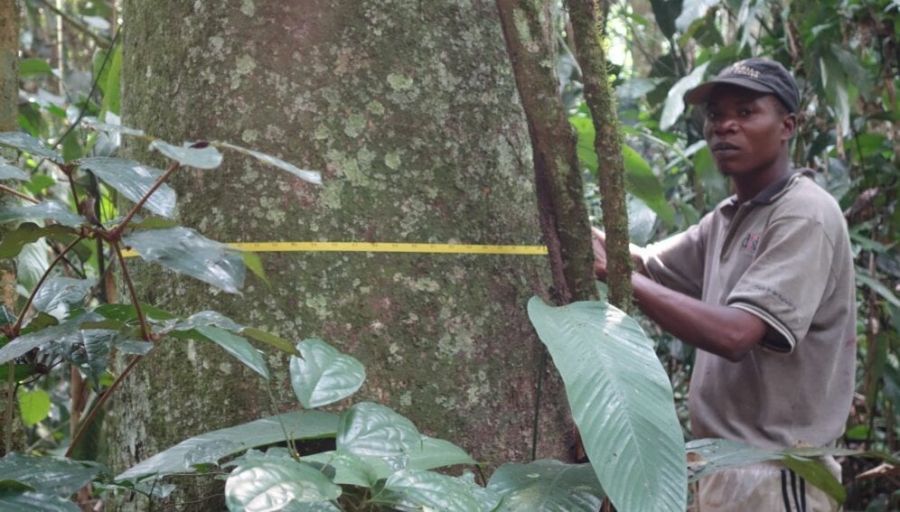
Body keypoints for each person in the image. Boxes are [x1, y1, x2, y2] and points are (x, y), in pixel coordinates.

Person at [591, 57, 856, 511]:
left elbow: (737, 334)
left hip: (777, 471)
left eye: (746, 112)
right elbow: (643, 263)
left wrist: (619, 276)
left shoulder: (805, 213)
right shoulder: (730, 216)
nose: (725, 126)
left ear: (787, 125)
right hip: (721, 465)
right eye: (716, 115)